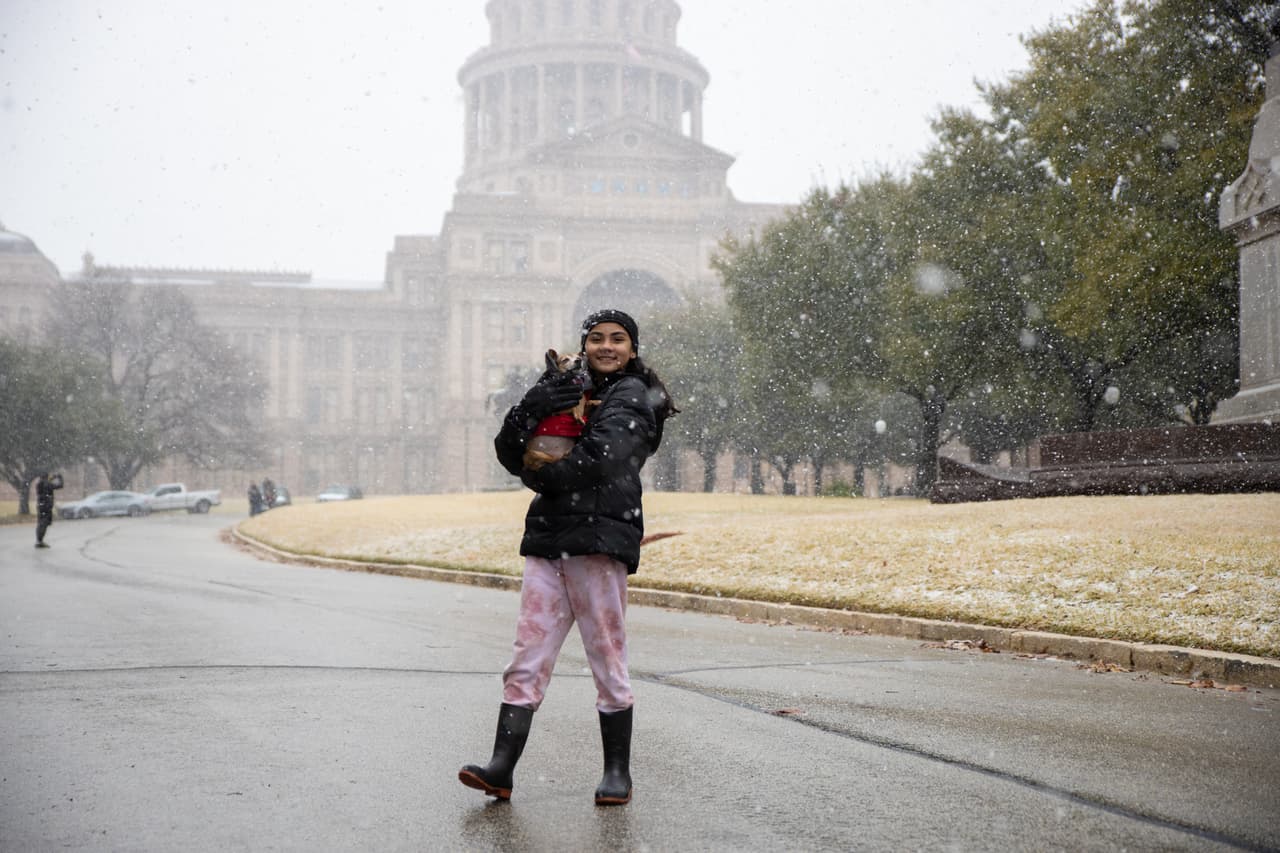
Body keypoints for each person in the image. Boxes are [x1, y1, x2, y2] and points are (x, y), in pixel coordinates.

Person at [459, 309, 676, 806]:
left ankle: (617, 772)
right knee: (526, 656)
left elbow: (603, 458)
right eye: (596, 338)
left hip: (599, 541)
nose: (606, 346)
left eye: (617, 339)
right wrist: (529, 407)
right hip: (547, 539)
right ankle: (501, 768)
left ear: (632, 349)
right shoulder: (561, 383)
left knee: (607, 657)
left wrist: (541, 477)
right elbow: (509, 451)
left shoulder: (634, 396)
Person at [34, 471, 64, 548]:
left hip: (40, 506)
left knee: (40, 522)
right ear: (47, 477)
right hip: (47, 506)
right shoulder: (47, 484)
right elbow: (60, 485)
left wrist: (51, 478)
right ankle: (40, 541)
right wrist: (59, 477)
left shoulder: (39, 483)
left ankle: (39, 540)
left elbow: (46, 482)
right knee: (44, 523)